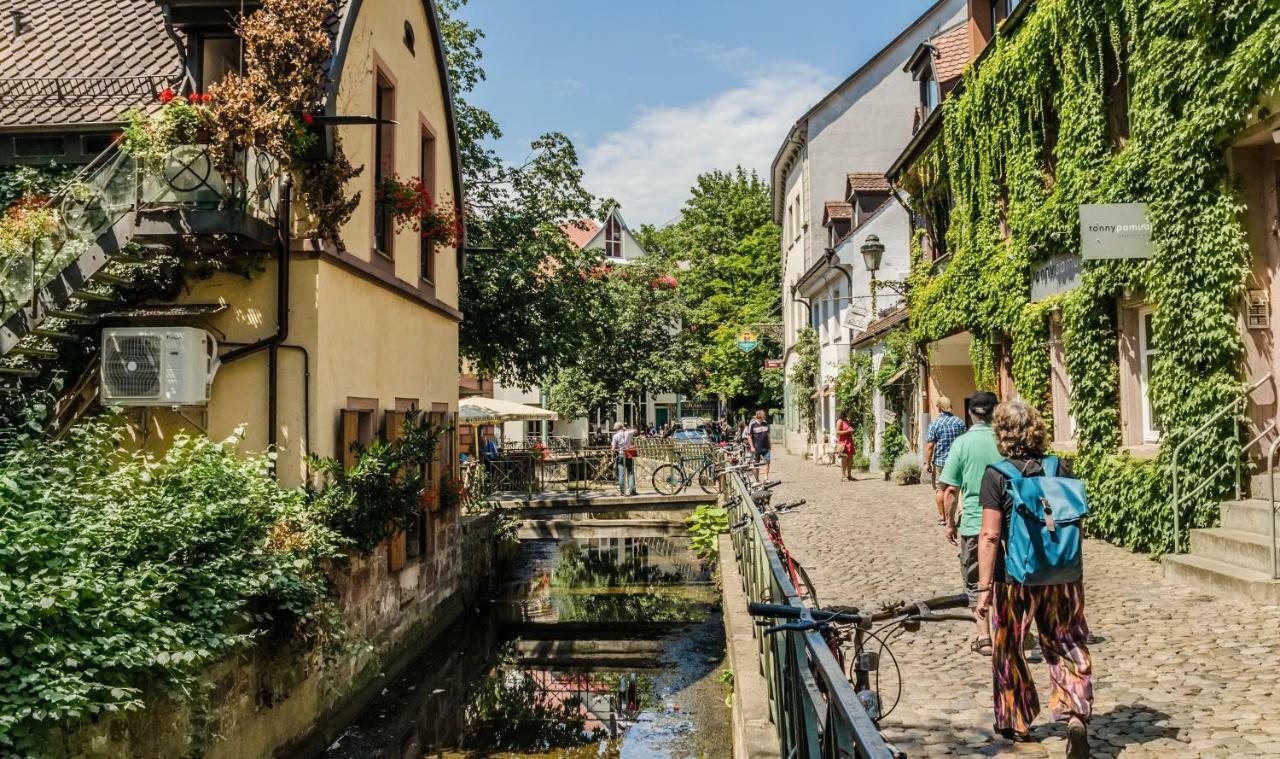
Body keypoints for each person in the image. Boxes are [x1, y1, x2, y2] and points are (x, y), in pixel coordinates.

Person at [975, 400, 1091, 756]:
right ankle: (1074, 714)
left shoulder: (997, 475)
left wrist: (983, 590)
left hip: (1014, 579)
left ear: (1002, 435)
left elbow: (991, 535)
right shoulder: (1060, 468)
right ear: (1036, 431)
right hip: (1063, 575)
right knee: (1068, 641)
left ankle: (1019, 721)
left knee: (1010, 646)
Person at [938, 391, 1001, 656]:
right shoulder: (1005, 440)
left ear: (971, 413)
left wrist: (949, 522)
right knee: (1007, 578)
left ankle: (984, 636)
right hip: (1007, 522)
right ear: (995, 411)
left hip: (975, 523)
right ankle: (1014, 630)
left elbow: (951, 490)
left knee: (976, 579)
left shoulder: (962, 444)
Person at [925, 396, 966, 526]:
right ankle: (961, 513)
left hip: (940, 462)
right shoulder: (960, 422)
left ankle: (944, 517)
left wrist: (927, 463)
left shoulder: (935, 424)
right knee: (958, 488)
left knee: (940, 489)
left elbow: (930, 446)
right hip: (957, 461)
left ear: (939, 408)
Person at [611, 421, 638, 496]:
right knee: (630, 473)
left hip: (620, 455)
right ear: (622, 427)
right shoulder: (628, 433)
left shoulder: (615, 436)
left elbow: (613, 448)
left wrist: (612, 457)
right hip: (628, 454)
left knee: (621, 475)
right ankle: (632, 490)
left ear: (616, 428)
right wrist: (626, 430)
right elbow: (636, 431)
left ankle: (622, 492)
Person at [746, 410, 772, 479]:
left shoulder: (765, 423)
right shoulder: (752, 424)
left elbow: (767, 435)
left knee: (767, 461)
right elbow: (749, 436)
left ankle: (766, 477)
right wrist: (752, 447)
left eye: (764, 417)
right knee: (756, 464)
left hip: (765, 447)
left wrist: (770, 444)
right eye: (762, 417)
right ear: (759, 417)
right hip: (756, 448)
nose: (763, 419)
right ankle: (757, 479)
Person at [835, 409, 856, 481]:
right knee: (844, 459)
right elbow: (837, 432)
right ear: (845, 412)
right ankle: (843, 476)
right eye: (849, 412)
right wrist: (847, 431)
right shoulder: (840, 421)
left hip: (849, 441)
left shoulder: (847, 421)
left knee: (850, 459)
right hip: (843, 442)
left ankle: (849, 475)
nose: (850, 414)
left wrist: (851, 433)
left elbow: (849, 430)